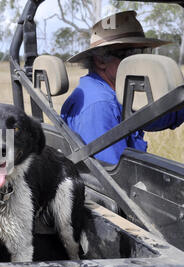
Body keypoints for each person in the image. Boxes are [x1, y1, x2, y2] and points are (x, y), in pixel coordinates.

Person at [61, 10, 184, 165]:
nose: (140, 61)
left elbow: (151, 118)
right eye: (131, 54)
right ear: (100, 61)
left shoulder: (116, 93)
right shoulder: (100, 106)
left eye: (144, 52)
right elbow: (112, 179)